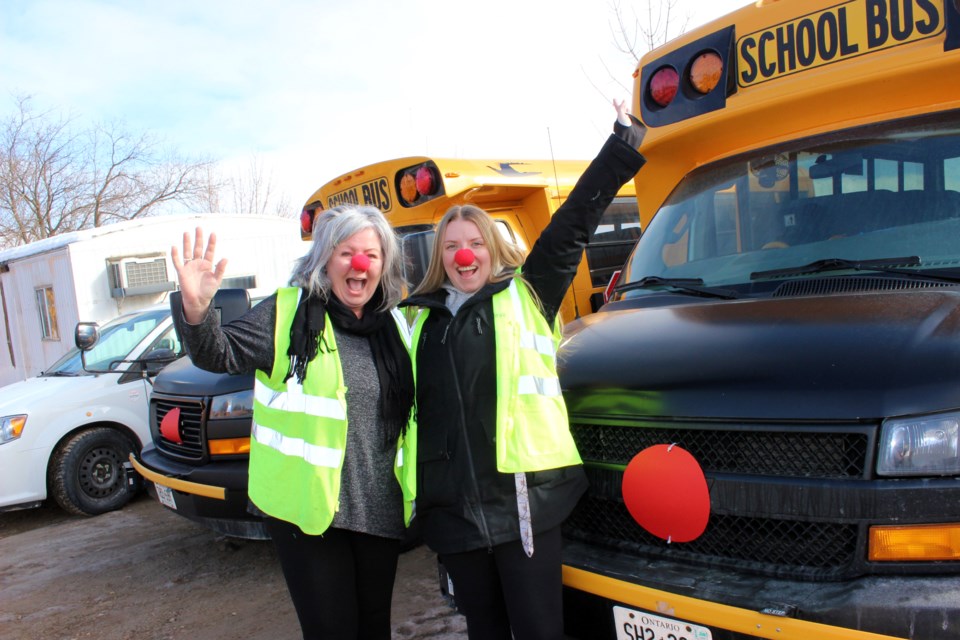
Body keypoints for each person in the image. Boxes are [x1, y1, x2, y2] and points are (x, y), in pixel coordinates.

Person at [400, 100, 647, 640]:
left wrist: (622, 145)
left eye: (474, 244)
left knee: (539, 631)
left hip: (527, 509)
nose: (465, 256)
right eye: (452, 247)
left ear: (490, 250)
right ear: (439, 259)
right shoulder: (416, 323)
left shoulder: (527, 295)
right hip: (455, 516)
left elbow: (573, 222)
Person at [170, 206, 416, 640]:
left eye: (371, 255)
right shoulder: (288, 315)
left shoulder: (395, 323)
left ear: (384, 264)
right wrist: (196, 309)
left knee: (375, 627)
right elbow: (218, 355)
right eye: (346, 252)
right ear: (323, 259)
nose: (360, 264)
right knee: (330, 631)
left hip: (379, 506)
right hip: (307, 512)